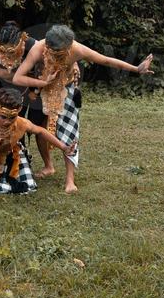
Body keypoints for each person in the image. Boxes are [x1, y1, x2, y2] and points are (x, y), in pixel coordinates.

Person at [12, 24, 153, 183]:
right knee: (39, 130)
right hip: (41, 89)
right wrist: (43, 82)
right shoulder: (38, 49)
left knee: (69, 133)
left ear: (68, 46)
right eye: (53, 52)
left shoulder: (77, 49)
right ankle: (48, 166)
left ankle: (70, 180)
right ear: (48, 45)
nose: (57, 55)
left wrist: (136, 68)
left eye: (61, 53)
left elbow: (106, 60)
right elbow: (18, 78)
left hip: (67, 90)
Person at [0, 88, 76, 195]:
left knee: (23, 186)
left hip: (9, 158)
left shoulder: (21, 123)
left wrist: (64, 147)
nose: (7, 122)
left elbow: (41, 131)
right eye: (3, 117)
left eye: (12, 117)